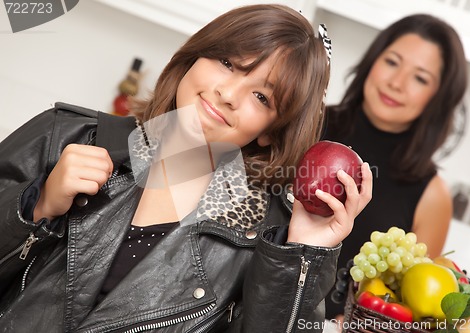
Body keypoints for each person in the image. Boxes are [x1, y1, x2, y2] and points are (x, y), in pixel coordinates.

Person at [0, 4, 372, 332]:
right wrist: (36, 206)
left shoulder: (264, 243)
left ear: (271, 132)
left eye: (261, 96)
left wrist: (300, 256)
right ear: (195, 57)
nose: (228, 94)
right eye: (227, 63)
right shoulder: (64, 135)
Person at [322, 13, 467, 320]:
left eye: (420, 78)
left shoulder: (433, 196)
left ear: (438, 99)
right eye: (391, 62)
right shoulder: (305, 121)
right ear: (372, 61)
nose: (396, 82)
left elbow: (409, 304)